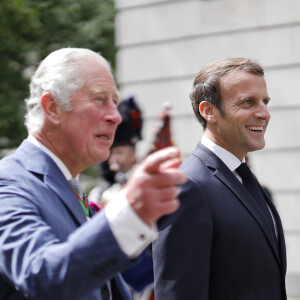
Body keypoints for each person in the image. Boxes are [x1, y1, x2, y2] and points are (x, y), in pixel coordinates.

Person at [0, 48, 186, 300]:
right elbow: (43, 277)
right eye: (99, 99)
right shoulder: (9, 182)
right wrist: (129, 213)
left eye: (114, 101)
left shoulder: (69, 186)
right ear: (52, 108)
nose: (116, 116)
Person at [153, 57, 287, 300]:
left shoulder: (244, 178)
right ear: (208, 111)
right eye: (248, 102)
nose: (264, 113)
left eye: (265, 102)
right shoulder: (188, 186)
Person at [89, 95, 155, 300]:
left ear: (133, 150)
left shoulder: (149, 183)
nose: (113, 157)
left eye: (119, 151)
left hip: (146, 279)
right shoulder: (98, 193)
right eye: (111, 151)